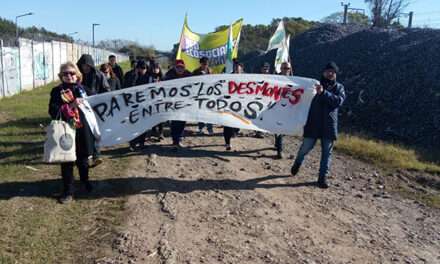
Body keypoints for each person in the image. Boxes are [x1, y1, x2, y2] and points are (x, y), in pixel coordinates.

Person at [290, 62, 346, 189]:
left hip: (329, 125)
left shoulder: (339, 88)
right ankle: (297, 163)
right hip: (313, 124)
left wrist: (323, 93)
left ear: (335, 74)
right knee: (305, 148)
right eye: (328, 71)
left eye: (333, 71)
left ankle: (322, 178)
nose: (330, 73)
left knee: (327, 153)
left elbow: (338, 102)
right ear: (323, 72)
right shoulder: (313, 86)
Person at [48, 62, 96, 203]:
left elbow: (99, 103)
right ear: (61, 76)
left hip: (84, 130)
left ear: (77, 75)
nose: (69, 76)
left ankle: (85, 181)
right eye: (65, 74)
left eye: (72, 73)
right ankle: (68, 191)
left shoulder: (85, 90)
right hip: (66, 130)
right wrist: (70, 106)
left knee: (83, 159)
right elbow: (52, 111)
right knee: (67, 160)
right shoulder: (57, 91)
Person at [164, 59, 192, 149]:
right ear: (175, 67)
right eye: (178, 67)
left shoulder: (189, 74)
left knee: (182, 121)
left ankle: (178, 139)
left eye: (182, 67)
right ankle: (175, 140)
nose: (180, 69)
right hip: (173, 103)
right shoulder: (169, 75)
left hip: (185, 103)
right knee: (175, 122)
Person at [128, 60, 151, 150]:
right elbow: (130, 86)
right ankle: (133, 143)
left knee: (144, 125)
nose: (142, 70)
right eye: (140, 68)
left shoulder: (149, 77)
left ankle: (142, 142)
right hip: (135, 104)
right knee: (134, 125)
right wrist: (135, 76)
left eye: (144, 68)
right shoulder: (133, 76)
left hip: (145, 104)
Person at [274, 62, 293, 159]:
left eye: (288, 68)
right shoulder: (275, 80)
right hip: (277, 107)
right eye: (284, 68)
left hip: (288, 108)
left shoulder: (294, 80)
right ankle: (279, 150)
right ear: (280, 69)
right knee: (279, 127)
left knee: (282, 129)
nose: (286, 70)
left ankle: (277, 143)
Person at [223, 62, 244, 150]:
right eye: (235, 69)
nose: (236, 70)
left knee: (237, 123)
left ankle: (235, 132)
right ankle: (227, 143)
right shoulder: (227, 78)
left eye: (238, 69)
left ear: (241, 70)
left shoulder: (246, 79)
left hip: (240, 106)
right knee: (227, 124)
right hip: (228, 105)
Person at [193, 56, 214, 135]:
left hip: (209, 94)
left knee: (210, 112)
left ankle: (210, 128)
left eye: (207, 64)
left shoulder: (210, 71)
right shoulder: (195, 72)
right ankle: (200, 127)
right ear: (201, 63)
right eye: (204, 64)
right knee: (200, 112)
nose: (205, 65)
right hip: (199, 94)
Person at [253, 62, 272, 139]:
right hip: (258, 99)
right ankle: (258, 131)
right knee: (258, 115)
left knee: (264, 116)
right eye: (264, 68)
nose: (266, 69)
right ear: (261, 69)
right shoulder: (257, 77)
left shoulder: (273, 78)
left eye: (267, 68)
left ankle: (261, 131)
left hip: (267, 100)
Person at [149, 62, 165, 140]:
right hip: (151, 99)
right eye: (154, 68)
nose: (155, 70)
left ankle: (161, 132)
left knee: (161, 117)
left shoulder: (163, 78)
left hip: (160, 99)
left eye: (157, 68)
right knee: (152, 116)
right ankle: (153, 131)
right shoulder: (149, 77)